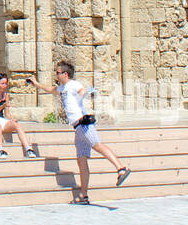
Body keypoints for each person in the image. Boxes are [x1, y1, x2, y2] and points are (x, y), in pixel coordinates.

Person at [28, 62, 131, 204]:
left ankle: (121, 168)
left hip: (84, 124)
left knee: (97, 145)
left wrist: (84, 97)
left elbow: (82, 91)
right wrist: (37, 84)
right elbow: (51, 89)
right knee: (81, 160)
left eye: (58, 73)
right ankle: (83, 195)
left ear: (65, 74)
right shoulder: (63, 88)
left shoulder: (73, 84)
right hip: (77, 128)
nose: (56, 75)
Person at [0, 72, 40, 160]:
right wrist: (2, 106)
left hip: (1, 119)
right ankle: (0, 150)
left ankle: (28, 148)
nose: (4, 86)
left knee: (16, 125)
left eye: (6, 83)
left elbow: (7, 114)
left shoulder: (6, 95)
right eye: (2, 83)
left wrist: (12, 119)